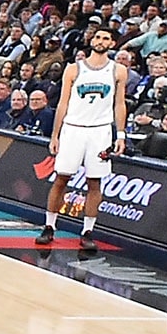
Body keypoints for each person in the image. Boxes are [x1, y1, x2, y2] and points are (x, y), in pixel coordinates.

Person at [37, 26, 128, 254]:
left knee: (94, 182)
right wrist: (55, 134)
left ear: (112, 43)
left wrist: (121, 134)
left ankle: (87, 231)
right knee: (61, 178)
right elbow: (63, 103)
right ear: (92, 39)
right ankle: (49, 226)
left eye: (106, 38)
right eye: (97, 36)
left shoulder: (118, 70)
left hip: (100, 131)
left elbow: (119, 103)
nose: (100, 40)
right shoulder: (74, 68)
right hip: (73, 128)